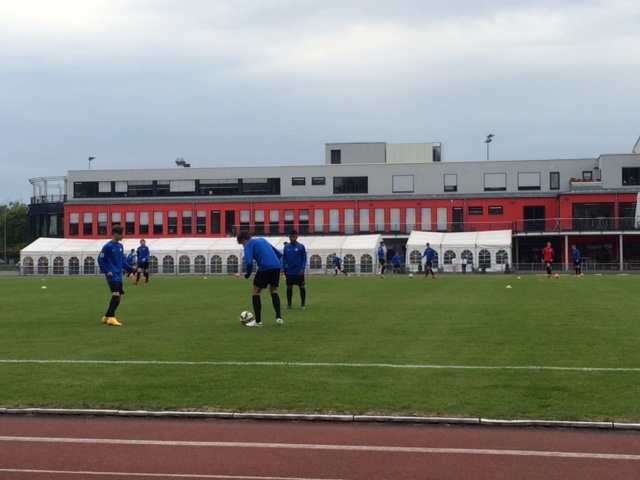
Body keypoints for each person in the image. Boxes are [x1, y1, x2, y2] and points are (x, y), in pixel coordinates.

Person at [237, 230, 284, 327]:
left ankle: (258, 322)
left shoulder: (248, 245)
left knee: (255, 292)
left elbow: (249, 262)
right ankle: (279, 318)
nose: (243, 246)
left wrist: (248, 274)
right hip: (276, 266)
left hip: (265, 267)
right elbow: (279, 254)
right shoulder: (263, 240)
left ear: (244, 240)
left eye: (242, 244)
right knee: (273, 290)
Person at [97, 224, 133, 326]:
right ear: (115, 234)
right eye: (122, 234)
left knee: (119, 297)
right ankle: (112, 318)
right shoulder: (108, 246)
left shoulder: (120, 246)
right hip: (111, 275)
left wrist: (130, 268)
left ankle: (106, 317)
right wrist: (107, 271)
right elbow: (100, 259)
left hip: (118, 275)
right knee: (116, 294)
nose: (123, 236)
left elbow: (122, 260)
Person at [282, 230, 307, 309]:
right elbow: (284, 259)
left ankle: (303, 304)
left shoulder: (301, 247)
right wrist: (282, 268)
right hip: (289, 271)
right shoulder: (286, 247)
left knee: (301, 287)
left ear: (296, 237)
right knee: (289, 287)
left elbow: (304, 259)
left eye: (293, 237)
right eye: (290, 237)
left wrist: (303, 268)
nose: (292, 238)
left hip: (299, 271)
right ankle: (289, 304)